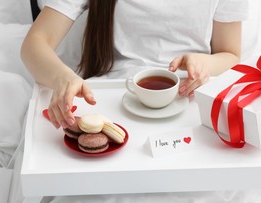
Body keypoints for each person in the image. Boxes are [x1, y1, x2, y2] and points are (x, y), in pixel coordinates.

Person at [21, 0, 248, 129]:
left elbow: (230, 55)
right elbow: (34, 44)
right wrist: (64, 77)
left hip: (189, 103)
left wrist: (204, 62)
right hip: (114, 100)